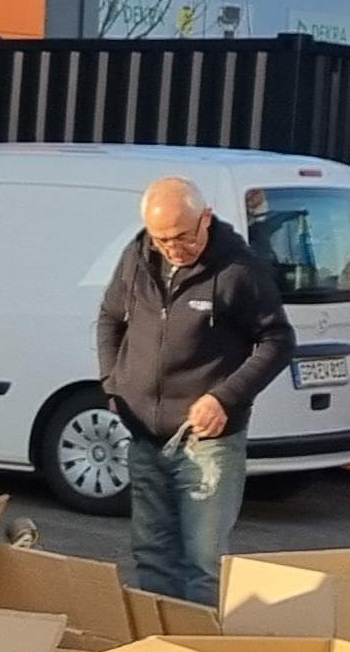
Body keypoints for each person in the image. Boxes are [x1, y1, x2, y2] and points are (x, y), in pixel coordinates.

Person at [96, 177, 293, 605]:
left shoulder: (239, 270)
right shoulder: (137, 256)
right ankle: (160, 651)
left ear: (205, 218)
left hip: (207, 443)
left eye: (183, 237)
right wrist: (114, 385)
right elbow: (111, 318)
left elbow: (278, 341)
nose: (173, 249)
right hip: (145, 437)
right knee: (151, 554)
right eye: (162, 238)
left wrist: (226, 397)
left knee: (203, 562)